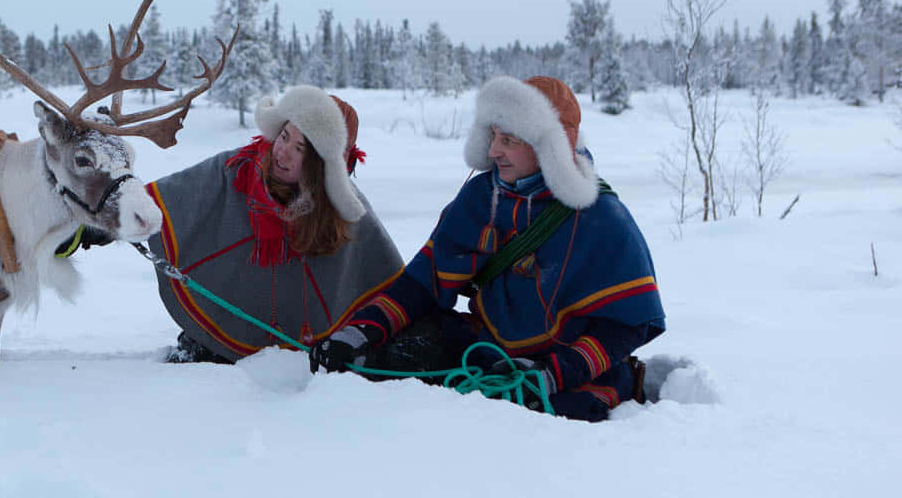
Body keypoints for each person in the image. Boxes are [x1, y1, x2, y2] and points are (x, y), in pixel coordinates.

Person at [309, 76, 664, 422]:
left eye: (508, 140)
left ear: (548, 147)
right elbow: (422, 282)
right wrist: (359, 332)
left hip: (568, 368)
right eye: (493, 136)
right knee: (375, 362)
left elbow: (626, 326)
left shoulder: (602, 217)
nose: (494, 151)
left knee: (532, 415)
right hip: (488, 352)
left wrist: (553, 374)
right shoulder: (482, 196)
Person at [148, 84, 404, 363]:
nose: (282, 152)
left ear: (321, 166)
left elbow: (389, 285)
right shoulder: (235, 170)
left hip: (311, 363)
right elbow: (159, 203)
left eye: (299, 148)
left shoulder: (346, 211)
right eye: (284, 136)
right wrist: (107, 217)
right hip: (219, 341)